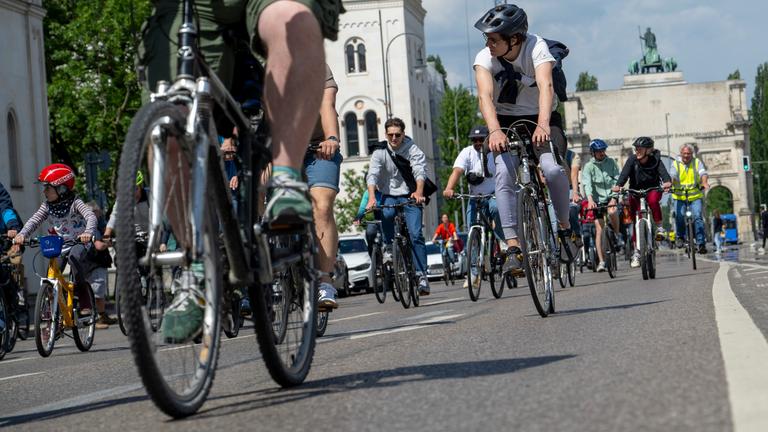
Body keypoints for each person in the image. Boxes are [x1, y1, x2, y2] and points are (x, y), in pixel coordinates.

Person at [473, 4, 580, 275]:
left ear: (515, 39)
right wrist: (495, 130)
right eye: (487, 38)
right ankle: (513, 247)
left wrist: (543, 125)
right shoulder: (484, 57)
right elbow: (485, 96)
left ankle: (564, 229)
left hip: (541, 116)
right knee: (503, 173)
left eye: (494, 39)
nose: (488, 43)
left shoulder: (536, 48)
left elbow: (546, 86)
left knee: (553, 169)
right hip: (504, 120)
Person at [13, 164, 99, 314]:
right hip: (60, 245)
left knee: (74, 258)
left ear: (62, 188)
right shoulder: (47, 206)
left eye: (48, 187)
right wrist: (22, 234)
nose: (44, 191)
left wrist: (87, 233)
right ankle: (53, 315)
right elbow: (34, 221)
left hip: (78, 242)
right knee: (52, 275)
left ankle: (84, 298)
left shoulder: (75, 202)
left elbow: (91, 216)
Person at [366, 117, 430, 295]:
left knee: (416, 234)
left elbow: (419, 170)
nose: (394, 138)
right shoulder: (380, 152)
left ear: (403, 134)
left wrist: (418, 192)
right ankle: (388, 247)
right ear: (386, 134)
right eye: (390, 135)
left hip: (410, 196)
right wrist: (372, 197)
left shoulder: (412, 149)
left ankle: (421, 275)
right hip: (389, 195)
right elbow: (372, 175)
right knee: (385, 214)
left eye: (397, 135)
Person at [303, 64, 343, 311]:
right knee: (256, 194)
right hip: (279, 148)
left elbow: (326, 104)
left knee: (322, 206)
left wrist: (331, 138)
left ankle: (325, 280)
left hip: (317, 147)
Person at [611, 137, 671, 268]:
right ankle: (637, 252)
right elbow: (624, 174)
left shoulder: (656, 159)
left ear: (648, 150)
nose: (637, 151)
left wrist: (667, 182)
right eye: (636, 148)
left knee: (653, 200)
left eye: (640, 149)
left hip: (652, 188)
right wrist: (618, 185)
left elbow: (664, 174)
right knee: (635, 222)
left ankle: (660, 228)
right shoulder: (632, 159)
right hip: (635, 190)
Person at [581, 139, 621, 272]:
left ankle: (616, 234)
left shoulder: (612, 163)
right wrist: (590, 200)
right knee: (599, 229)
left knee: (612, 212)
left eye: (603, 150)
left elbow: (617, 180)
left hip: (611, 196)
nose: (602, 153)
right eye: (599, 151)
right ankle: (602, 261)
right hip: (597, 200)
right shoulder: (588, 167)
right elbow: (587, 184)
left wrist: (614, 198)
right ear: (593, 153)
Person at [670, 143, 709, 254]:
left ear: (692, 154)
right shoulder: (675, 164)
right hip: (679, 196)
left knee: (698, 217)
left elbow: (703, 173)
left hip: (695, 196)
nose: (686, 156)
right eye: (684, 153)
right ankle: (680, 237)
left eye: (689, 153)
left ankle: (701, 243)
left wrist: (704, 182)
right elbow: (673, 175)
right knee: (679, 216)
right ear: (681, 153)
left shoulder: (697, 162)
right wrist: (670, 184)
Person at [85, 202, 117, 329]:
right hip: (93, 261)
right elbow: (97, 244)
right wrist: (103, 244)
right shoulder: (89, 224)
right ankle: (97, 318)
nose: (100, 214)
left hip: (97, 261)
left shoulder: (99, 224)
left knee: (99, 289)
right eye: (98, 212)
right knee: (97, 289)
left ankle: (102, 315)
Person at [1, 181, 25, 307]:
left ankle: (12, 300)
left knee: (7, 268)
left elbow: (5, 207)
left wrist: (13, 227)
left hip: (5, 238)